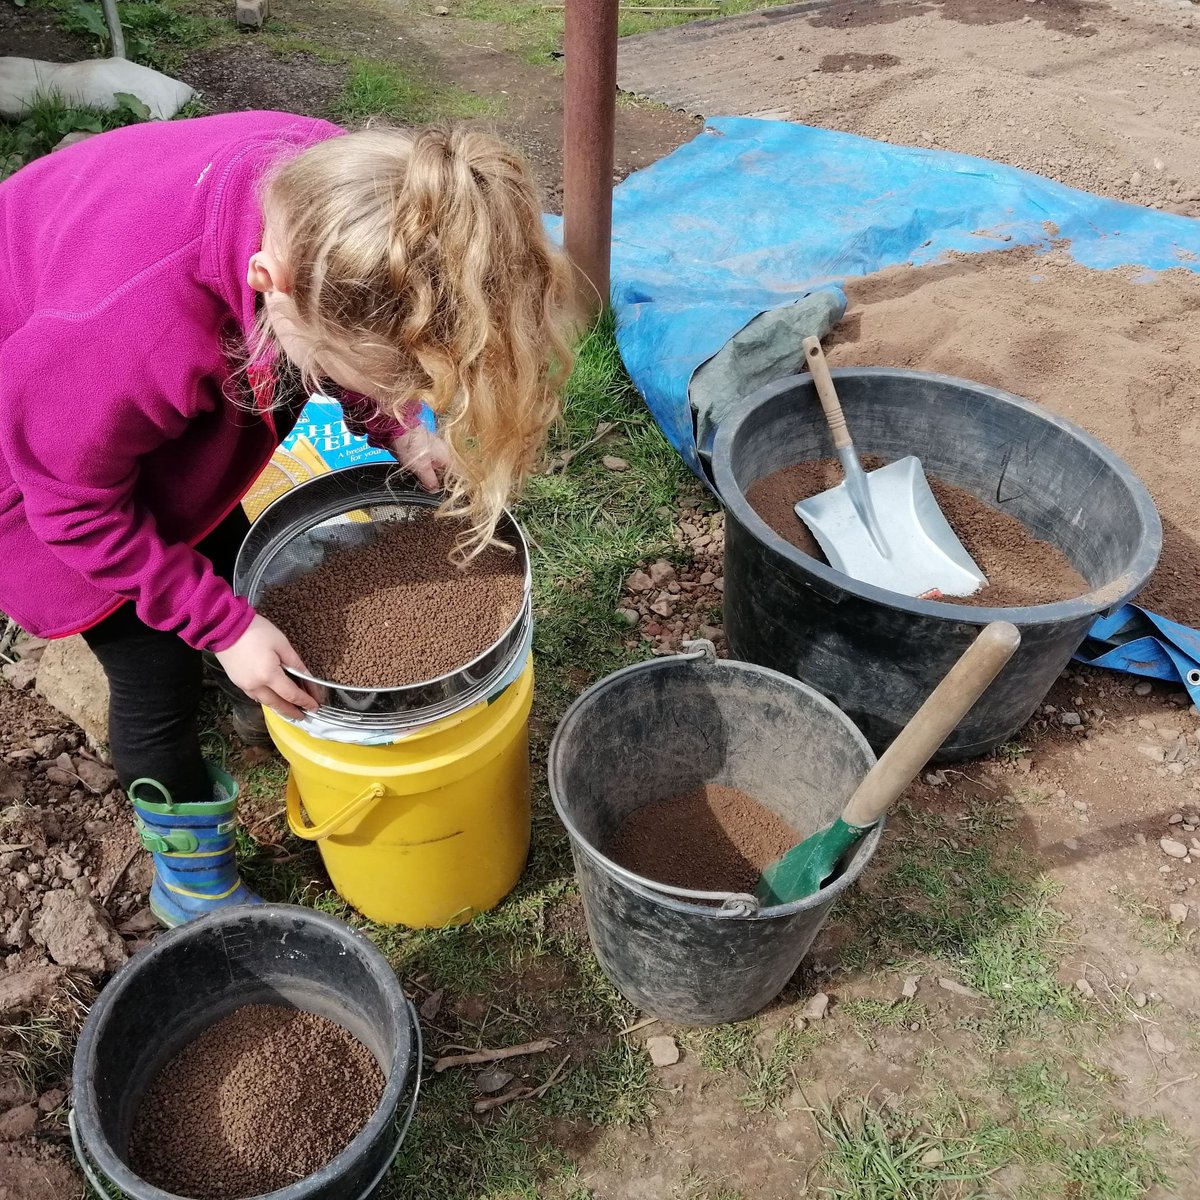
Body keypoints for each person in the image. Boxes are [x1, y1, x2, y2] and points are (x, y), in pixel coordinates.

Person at [0, 111, 575, 926]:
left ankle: (258, 680)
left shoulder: (355, 200)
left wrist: (400, 425)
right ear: (272, 285)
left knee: (222, 561)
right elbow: (74, 501)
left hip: (102, 399)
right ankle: (190, 881)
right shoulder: (126, 328)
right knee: (154, 662)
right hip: (32, 461)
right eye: (356, 373)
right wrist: (223, 631)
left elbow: (360, 330)